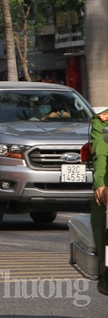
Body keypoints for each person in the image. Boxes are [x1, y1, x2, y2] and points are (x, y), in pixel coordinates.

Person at [90, 110, 108, 295]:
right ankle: (105, 269)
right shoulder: (103, 121)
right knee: (101, 207)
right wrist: (101, 184)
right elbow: (101, 153)